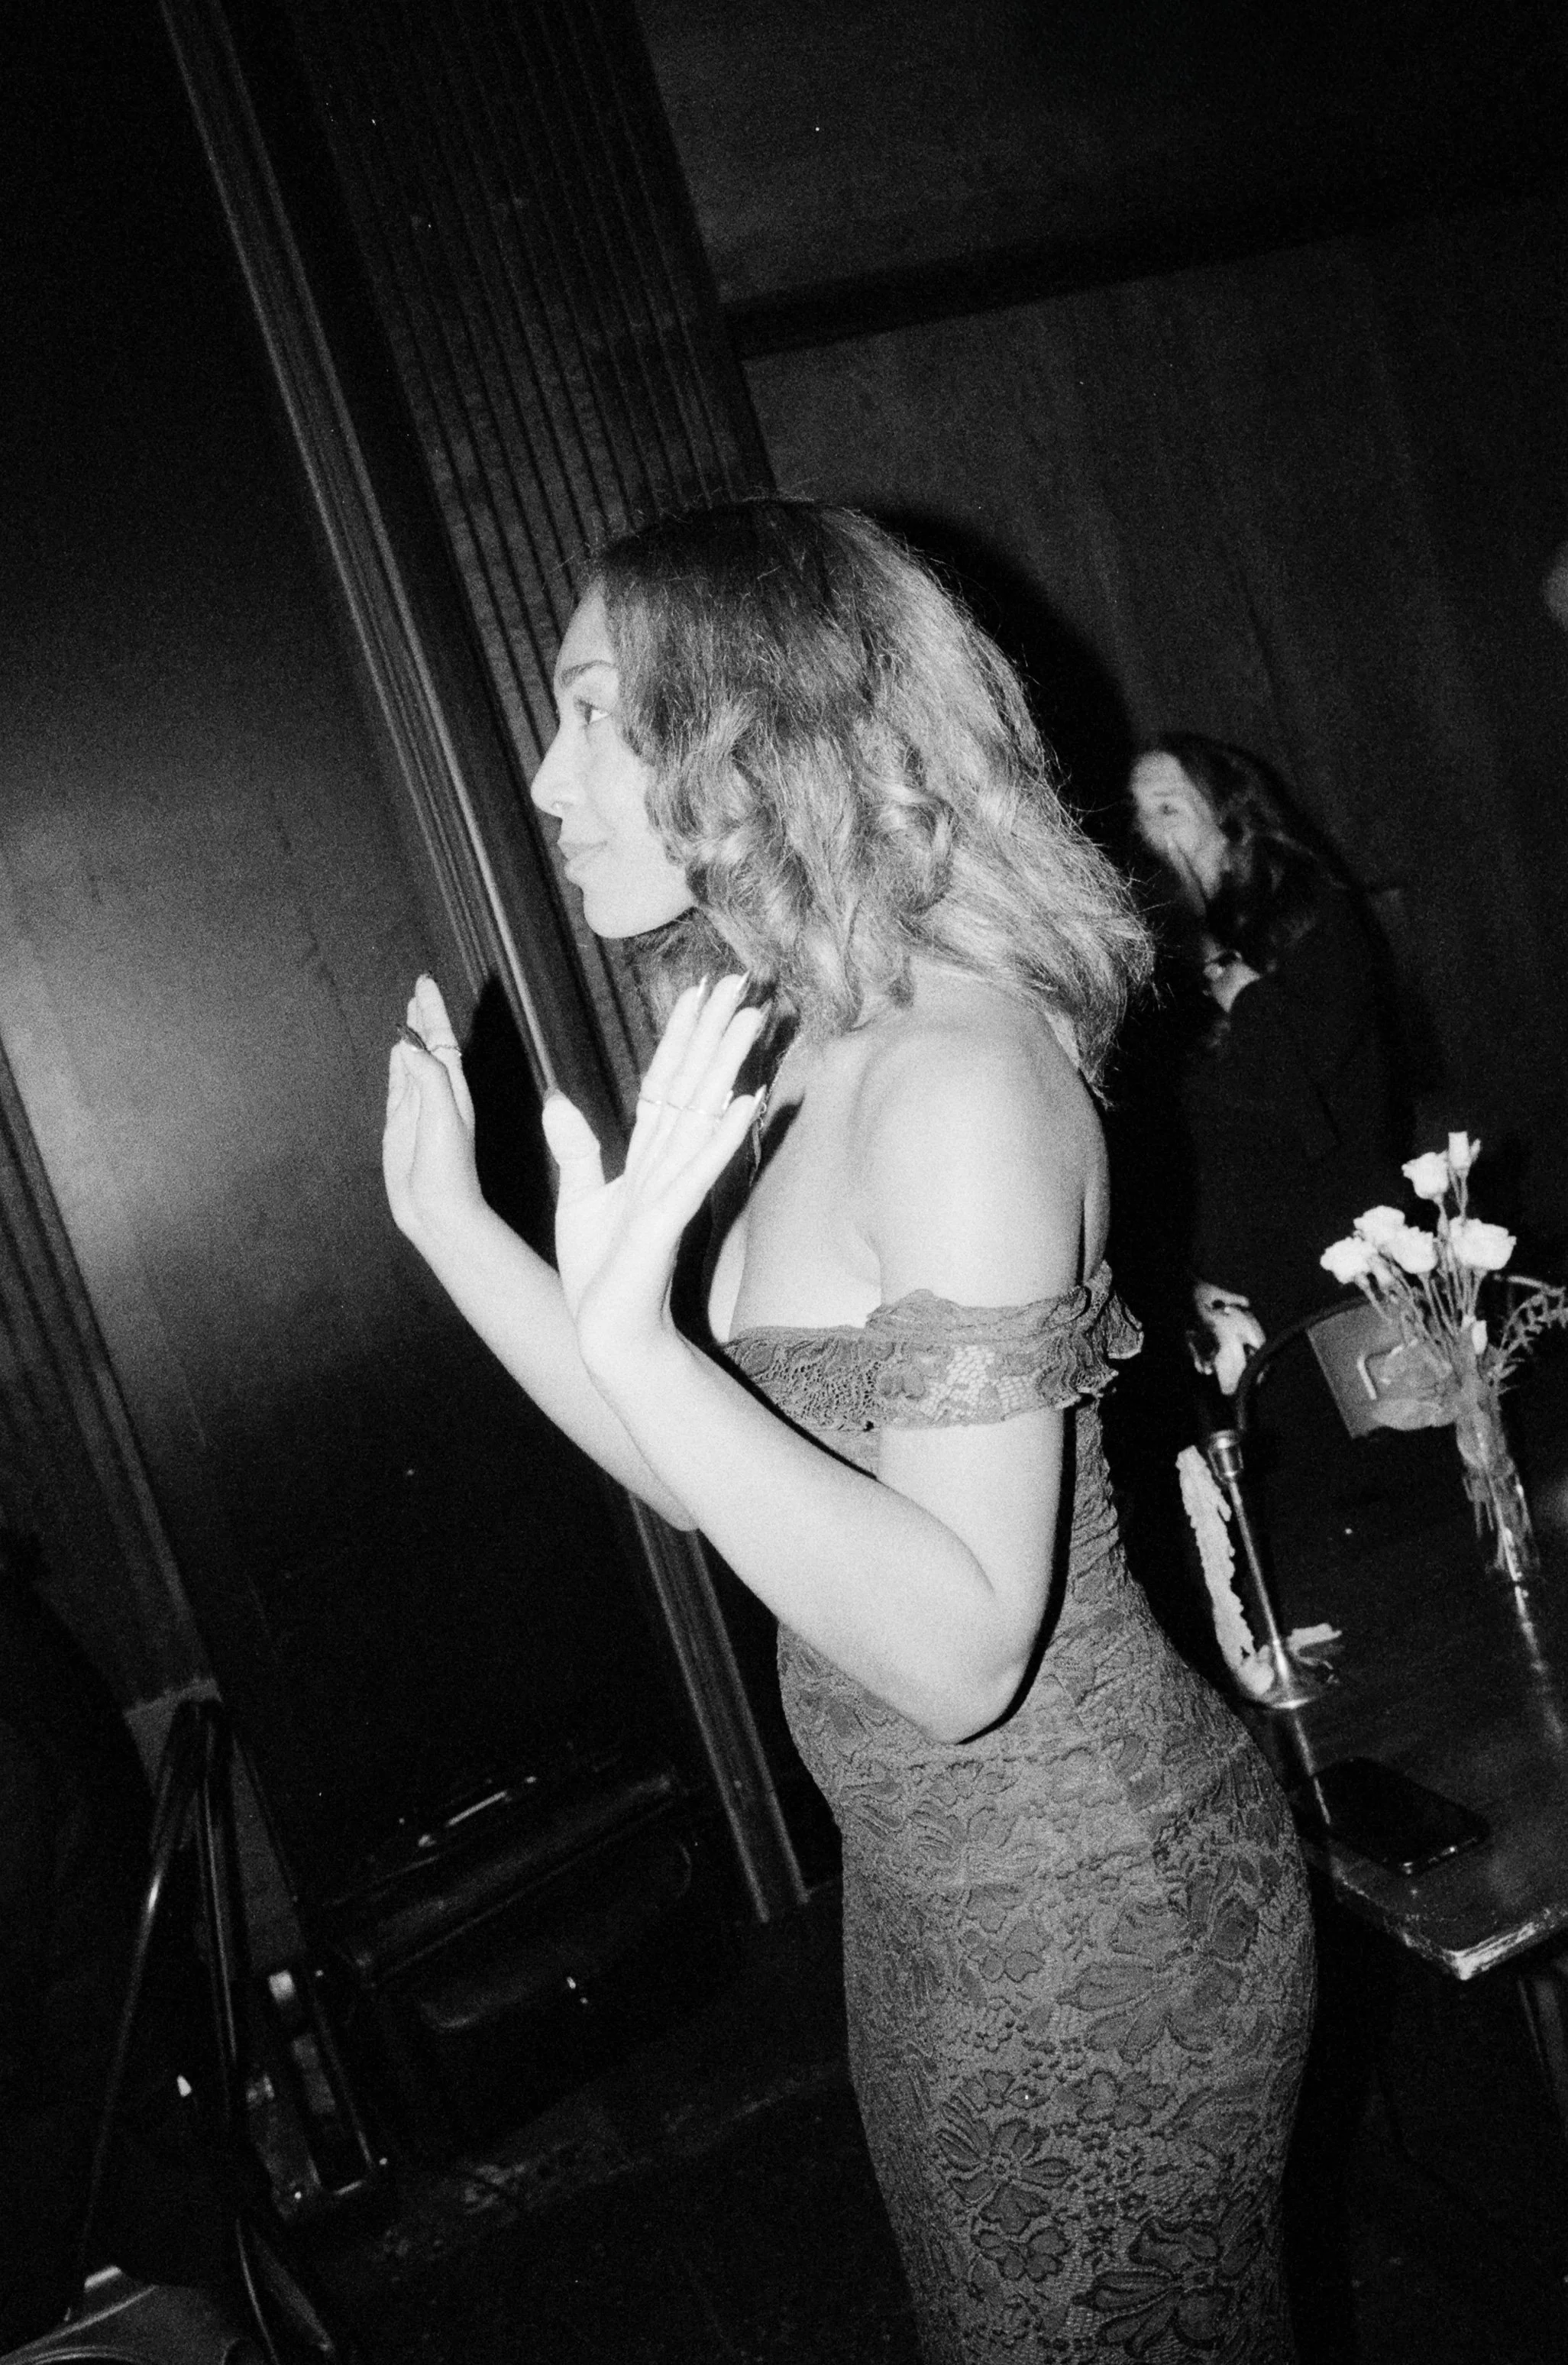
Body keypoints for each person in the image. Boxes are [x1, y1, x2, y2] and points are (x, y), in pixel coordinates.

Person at [383, 501, 1314, 2362]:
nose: (553, 781)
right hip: (930, 1901)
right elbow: (735, 1487)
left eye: (595, 714)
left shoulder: (961, 1073)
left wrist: (644, 1343)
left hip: (1090, 1917)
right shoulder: (796, 1039)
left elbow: (963, 1645)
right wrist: (462, 1237)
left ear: (755, 725)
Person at [1127, 735, 1408, 1394]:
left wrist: (1219, 963)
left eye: (1167, 810)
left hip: (1333, 1268)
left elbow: (1301, 1103)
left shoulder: (1313, 924)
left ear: (1233, 830)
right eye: (1133, 815)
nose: (1145, 835)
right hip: (1221, 1297)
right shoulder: (1144, 963)